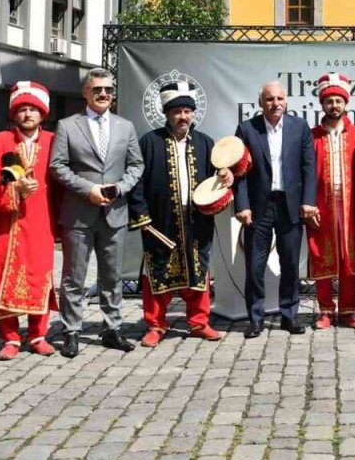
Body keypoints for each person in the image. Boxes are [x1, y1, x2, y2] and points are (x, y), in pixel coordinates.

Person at [50, 68, 145, 357]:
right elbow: (57, 166)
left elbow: (136, 165)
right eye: (97, 90)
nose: (103, 94)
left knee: (113, 276)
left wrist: (121, 187)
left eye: (108, 90)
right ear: (85, 93)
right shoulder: (68, 125)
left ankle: (112, 329)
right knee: (74, 277)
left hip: (114, 212)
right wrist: (87, 188)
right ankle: (71, 331)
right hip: (79, 212)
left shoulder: (125, 126)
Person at [127, 81, 226, 348]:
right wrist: (142, 216)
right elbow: (136, 182)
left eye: (187, 111)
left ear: (193, 113)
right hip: (161, 221)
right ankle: (156, 325)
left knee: (198, 273)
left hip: (197, 221)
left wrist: (224, 176)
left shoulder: (205, 143)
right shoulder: (149, 142)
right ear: (167, 114)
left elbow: (214, 180)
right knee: (157, 274)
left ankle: (198, 322)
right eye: (177, 112)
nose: (183, 117)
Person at [0, 82, 59, 359]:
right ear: (15, 113)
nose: (28, 114)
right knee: (3, 272)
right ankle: (10, 338)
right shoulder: (0, 141)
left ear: (42, 113)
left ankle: (38, 334)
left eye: (33, 109)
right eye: (23, 109)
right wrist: (16, 191)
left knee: (40, 274)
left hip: (41, 220)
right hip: (5, 222)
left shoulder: (53, 141)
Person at [234, 81, 317, 338]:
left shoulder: (299, 127)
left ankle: (289, 315)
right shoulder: (247, 129)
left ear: (287, 101)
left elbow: (308, 167)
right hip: (259, 208)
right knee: (255, 266)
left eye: (280, 98)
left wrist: (308, 200)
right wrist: (243, 205)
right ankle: (256, 319)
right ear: (261, 103)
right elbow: (240, 173)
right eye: (269, 99)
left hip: (291, 205)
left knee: (290, 263)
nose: (275, 103)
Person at [307, 73, 355, 329]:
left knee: (349, 259)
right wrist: (308, 205)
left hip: (351, 206)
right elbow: (304, 175)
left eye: (338, 101)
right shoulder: (311, 137)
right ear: (322, 104)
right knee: (322, 256)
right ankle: (326, 311)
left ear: (345, 103)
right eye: (329, 101)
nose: (334, 106)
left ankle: (348, 311)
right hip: (322, 206)